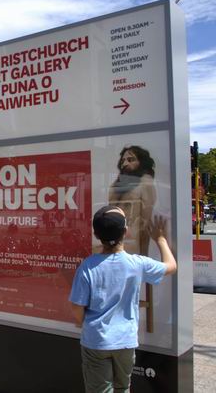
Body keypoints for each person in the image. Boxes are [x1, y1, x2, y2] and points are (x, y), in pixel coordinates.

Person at [69, 205, 176, 393]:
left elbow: (77, 306)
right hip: (125, 340)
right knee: (123, 388)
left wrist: (87, 323)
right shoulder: (137, 264)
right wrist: (160, 239)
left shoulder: (87, 266)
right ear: (125, 232)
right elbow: (171, 266)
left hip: (96, 341)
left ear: (96, 234)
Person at [108, 146, 156, 256]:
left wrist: (143, 256)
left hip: (132, 250)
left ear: (141, 162)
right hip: (116, 248)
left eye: (130, 160)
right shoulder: (117, 185)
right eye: (123, 160)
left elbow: (145, 226)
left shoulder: (145, 183)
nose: (124, 164)